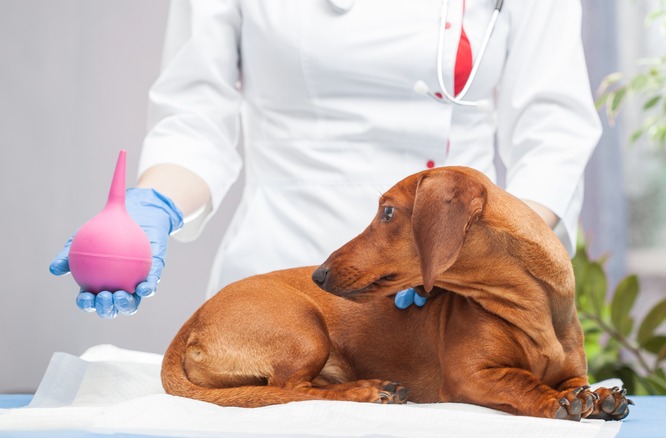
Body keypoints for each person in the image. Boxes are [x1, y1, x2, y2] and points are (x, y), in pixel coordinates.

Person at [50, 0, 601, 319]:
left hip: (449, 294)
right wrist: (156, 205)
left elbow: (553, 130)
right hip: (280, 278)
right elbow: (195, 116)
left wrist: (480, 253)